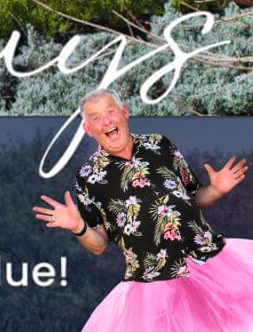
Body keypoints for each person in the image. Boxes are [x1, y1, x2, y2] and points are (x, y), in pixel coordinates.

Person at [33, 88, 252, 331]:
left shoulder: (160, 144)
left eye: (111, 111)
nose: (106, 121)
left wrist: (217, 190)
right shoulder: (87, 177)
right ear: (88, 130)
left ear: (124, 113)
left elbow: (193, 199)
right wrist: (78, 227)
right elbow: (98, 244)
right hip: (154, 285)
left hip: (211, 261)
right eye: (96, 118)